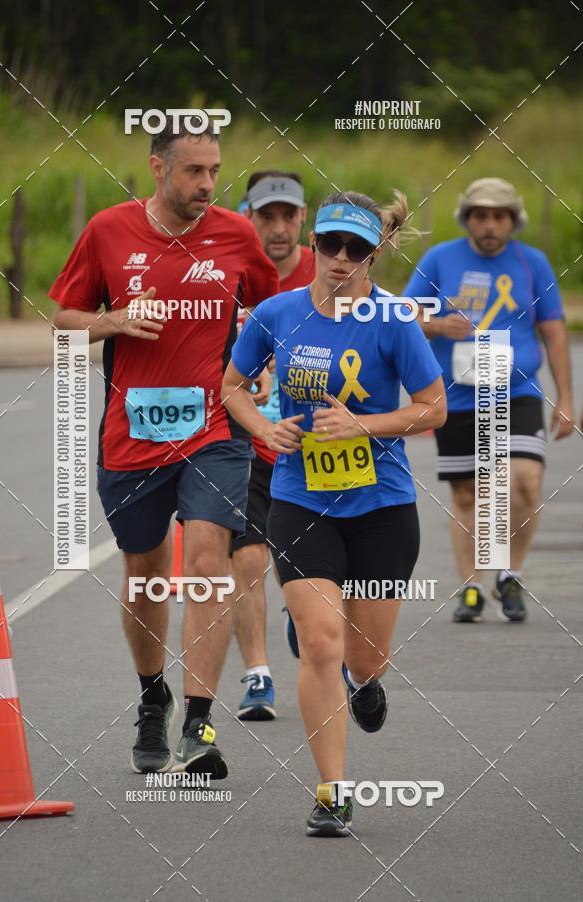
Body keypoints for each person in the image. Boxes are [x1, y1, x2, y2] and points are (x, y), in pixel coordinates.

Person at [50, 120, 279, 776]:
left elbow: (276, 308)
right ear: (158, 167)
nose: (208, 184)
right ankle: (154, 697)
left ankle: (199, 726)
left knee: (208, 560)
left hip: (215, 431)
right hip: (134, 435)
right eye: (194, 172)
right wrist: (112, 321)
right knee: (147, 575)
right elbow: (62, 319)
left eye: (214, 171)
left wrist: (259, 355)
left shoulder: (237, 234)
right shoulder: (108, 231)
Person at [222, 190, 446, 835]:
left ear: (374, 254)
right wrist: (263, 432)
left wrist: (364, 425)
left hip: (382, 507)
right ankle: (332, 790)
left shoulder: (394, 320)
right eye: (330, 245)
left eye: (357, 249)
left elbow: (433, 408)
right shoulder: (275, 314)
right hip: (300, 500)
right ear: (314, 244)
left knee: (364, 657)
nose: (340, 260)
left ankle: (365, 679)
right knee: (320, 644)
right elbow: (233, 388)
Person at [405, 178, 574, 623]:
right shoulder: (440, 259)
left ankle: (509, 573)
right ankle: (473, 585)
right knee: (468, 496)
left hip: (516, 392)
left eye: (498, 216)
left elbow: (554, 333)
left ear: (513, 221)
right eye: (480, 215)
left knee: (523, 483)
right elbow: (404, 316)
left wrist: (566, 399)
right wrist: (440, 325)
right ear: (467, 219)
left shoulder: (532, 263)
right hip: (457, 395)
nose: (489, 224)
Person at [232, 170, 315, 720]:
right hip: (244, 436)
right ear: (248, 216)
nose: (278, 228)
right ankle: (258, 677)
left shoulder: (328, 267)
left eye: (288, 216)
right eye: (267, 216)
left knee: (304, 563)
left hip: (317, 444)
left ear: (303, 219)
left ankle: (299, 603)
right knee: (248, 557)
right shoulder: (226, 272)